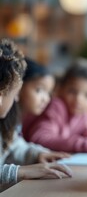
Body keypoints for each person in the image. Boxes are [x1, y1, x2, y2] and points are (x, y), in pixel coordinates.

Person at [0, 38, 72, 188]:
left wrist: (36, 154)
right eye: (14, 94)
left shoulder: (7, 121)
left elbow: (12, 146)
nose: (16, 99)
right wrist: (20, 172)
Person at [22, 58, 87, 153]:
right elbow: (39, 138)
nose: (78, 99)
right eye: (72, 91)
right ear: (60, 89)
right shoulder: (56, 106)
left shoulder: (83, 113)